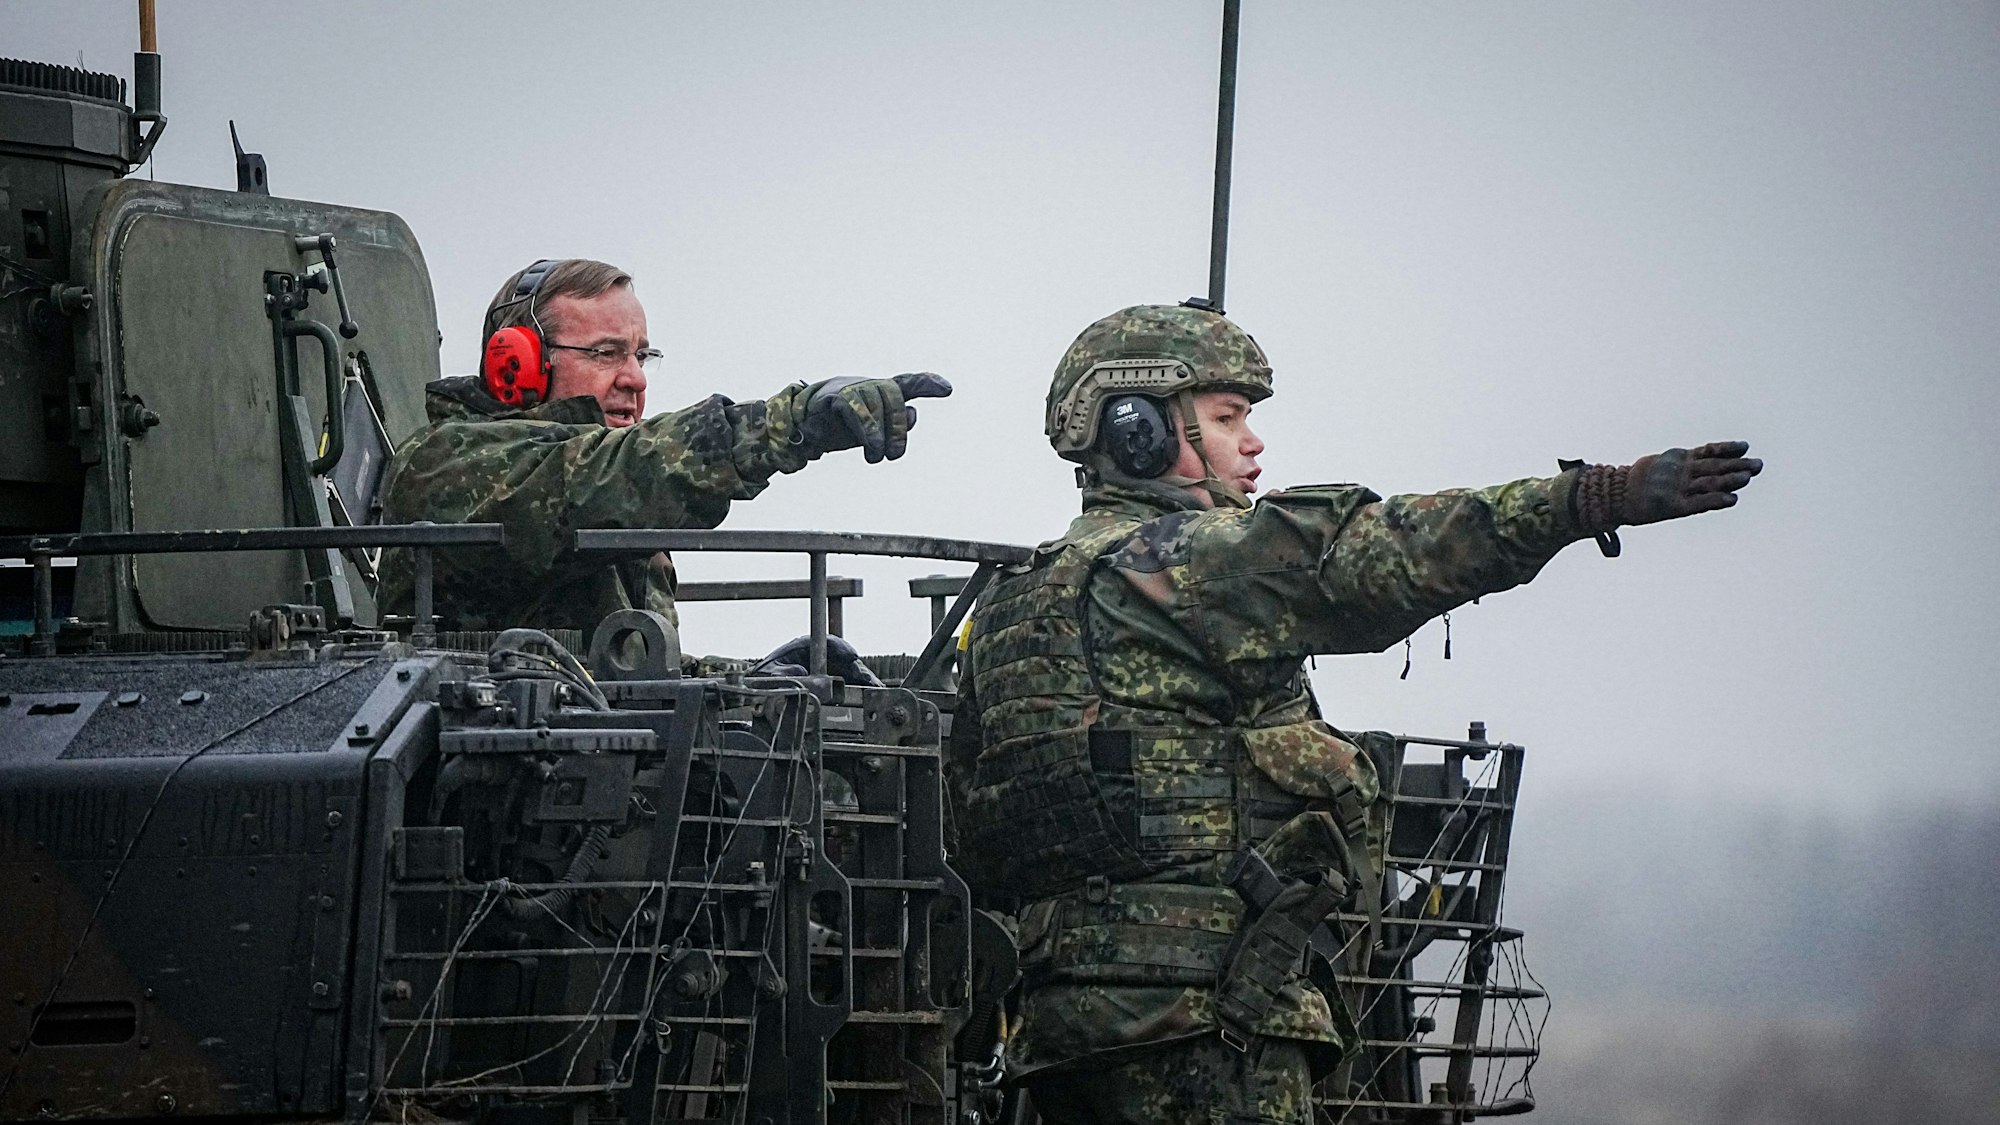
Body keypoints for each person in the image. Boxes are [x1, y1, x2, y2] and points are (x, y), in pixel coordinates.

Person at [948, 301, 1761, 1124]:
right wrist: (1592, 496)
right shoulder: (1184, 568)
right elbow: (1387, 554)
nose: (1253, 443)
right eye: (1228, 418)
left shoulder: (1010, 609)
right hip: (1213, 1033)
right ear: (1137, 431)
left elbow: (974, 828)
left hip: (1059, 1043)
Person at [378, 259, 949, 636]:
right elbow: (607, 475)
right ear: (517, 364)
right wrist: (791, 422)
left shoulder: (620, 496)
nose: (635, 379)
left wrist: (767, 677)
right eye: (605, 354)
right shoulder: (446, 465)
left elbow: (620, 675)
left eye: (640, 355)